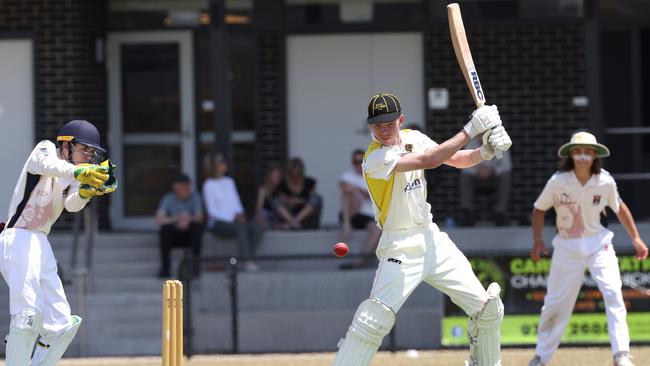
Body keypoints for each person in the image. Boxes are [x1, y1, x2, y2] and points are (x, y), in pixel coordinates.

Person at [332, 93, 512, 366]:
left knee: (486, 309)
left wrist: (484, 152)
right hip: (400, 245)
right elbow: (427, 161)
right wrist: (471, 129)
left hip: (432, 238)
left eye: (389, 123)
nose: (383, 129)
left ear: (400, 120)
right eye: (377, 124)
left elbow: (453, 159)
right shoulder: (374, 158)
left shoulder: (414, 138)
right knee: (373, 319)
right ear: (370, 126)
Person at [0, 119, 116, 365]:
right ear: (66, 144)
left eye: (91, 153)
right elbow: (45, 165)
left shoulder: (72, 173)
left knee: (63, 325)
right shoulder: (46, 150)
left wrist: (86, 191)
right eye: (84, 149)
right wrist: (78, 172)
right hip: (18, 236)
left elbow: (71, 205)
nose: (87, 157)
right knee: (27, 315)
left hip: (40, 241)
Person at [527, 131, 648, 366]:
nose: (582, 157)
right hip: (566, 246)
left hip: (598, 243)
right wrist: (537, 239)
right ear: (571, 154)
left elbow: (619, 207)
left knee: (613, 294)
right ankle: (541, 357)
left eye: (587, 152)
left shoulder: (605, 181)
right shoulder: (558, 181)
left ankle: (621, 355)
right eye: (578, 152)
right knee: (555, 304)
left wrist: (636, 238)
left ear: (595, 155)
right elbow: (539, 209)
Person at [203, 153, 262, 268]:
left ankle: (247, 257)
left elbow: (236, 202)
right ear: (213, 166)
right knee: (241, 226)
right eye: (221, 162)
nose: (225, 164)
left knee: (258, 226)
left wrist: (240, 214)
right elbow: (212, 211)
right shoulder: (208, 185)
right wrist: (232, 218)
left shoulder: (229, 182)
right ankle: (247, 261)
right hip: (218, 223)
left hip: (236, 221)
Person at [154, 173, 204, 278]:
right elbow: (159, 219)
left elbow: (199, 217)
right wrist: (176, 218)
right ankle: (165, 268)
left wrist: (188, 218)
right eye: (181, 186)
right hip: (174, 234)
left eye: (186, 186)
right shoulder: (168, 198)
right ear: (175, 187)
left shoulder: (195, 197)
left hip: (190, 234)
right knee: (165, 230)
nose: (184, 189)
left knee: (197, 228)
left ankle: (195, 267)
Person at [338, 149, 381, 270]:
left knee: (377, 230)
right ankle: (346, 224)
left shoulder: (374, 177)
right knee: (348, 192)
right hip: (350, 214)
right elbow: (344, 188)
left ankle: (361, 261)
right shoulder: (347, 175)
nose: (358, 165)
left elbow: (370, 195)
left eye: (361, 161)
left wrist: (356, 189)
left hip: (366, 217)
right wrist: (355, 191)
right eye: (355, 162)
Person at [458, 138, 512, 226]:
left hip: (494, 178)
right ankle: (467, 212)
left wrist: (492, 171)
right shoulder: (471, 144)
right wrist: (477, 171)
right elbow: (463, 165)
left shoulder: (500, 142)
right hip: (476, 177)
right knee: (465, 177)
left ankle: (501, 212)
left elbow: (507, 166)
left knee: (506, 176)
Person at [275, 158, 322, 230]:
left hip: (305, 213)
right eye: (292, 175)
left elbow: (313, 199)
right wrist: (289, 201)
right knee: (275, 201)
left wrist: (301, 201)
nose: (295, 177)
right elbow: (281, 199)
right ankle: (292, 222)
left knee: (317, 198)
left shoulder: (309, 182)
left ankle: (293, 222)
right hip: (289, 212)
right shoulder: (283, 184)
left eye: (298, 174)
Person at [254, 164, 283, 230]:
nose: (277, 178)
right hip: (264, 216)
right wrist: (260, 219)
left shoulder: (279, 189)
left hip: (274, 218)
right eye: (275, 176)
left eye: (279, 176)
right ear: (269, 176)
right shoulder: (263, 189)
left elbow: (280, 207)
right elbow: (258, 208)